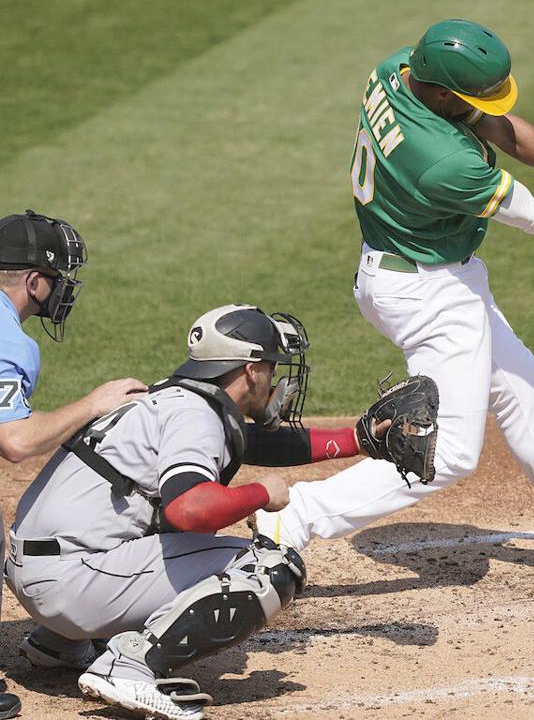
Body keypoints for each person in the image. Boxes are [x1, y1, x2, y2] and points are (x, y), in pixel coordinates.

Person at [254, 18, 534, 579]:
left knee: (524, 393)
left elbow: (499, 127)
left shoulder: (399, 70)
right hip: (426, 292)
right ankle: (295, 518)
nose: (481, 105)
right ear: (439, 92)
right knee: (447, 453)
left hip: (421, 274)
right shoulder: (442, 162)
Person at [6, 304, 378, 720]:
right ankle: (129, 666)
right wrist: (261, 493)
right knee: (271, 567)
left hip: (38, 572)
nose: (275, 380)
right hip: (70, 584)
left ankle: (58, 643)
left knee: (160, 522)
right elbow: (190, 510)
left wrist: (359, 439)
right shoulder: (195, 416)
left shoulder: (173, 400)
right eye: (272, 368)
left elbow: (254, 443)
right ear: (251, 369)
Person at [0, 210, 147, 720]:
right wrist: (93, 403)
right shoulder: (9, 338)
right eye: (57, 279)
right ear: (34, 281)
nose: (62, 291)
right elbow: (15, 441)